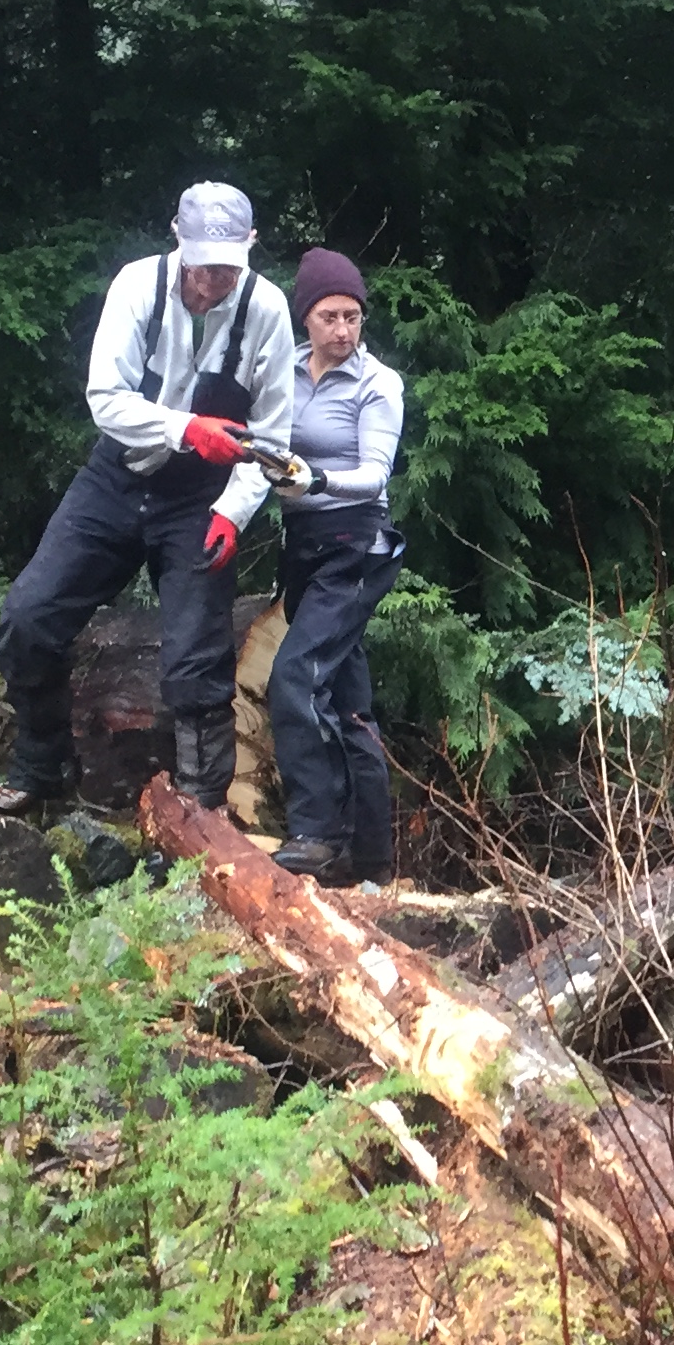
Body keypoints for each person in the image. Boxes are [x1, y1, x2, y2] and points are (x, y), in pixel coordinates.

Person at [0, 183, 295, 815]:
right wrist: (187, 429)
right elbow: (105, 399)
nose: (212, 283)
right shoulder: (136, 286)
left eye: (228, 268)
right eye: (203, 266)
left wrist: (233, 513)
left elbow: (271, 438)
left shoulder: (267, 310)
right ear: (177, 238)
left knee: (196, 660)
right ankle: (43, 767)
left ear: (250, 250)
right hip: (116, 479)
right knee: (28, 618)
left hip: (201, 500)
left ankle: (200, 814)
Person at [262, 248, 407, 884]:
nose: (344, 329)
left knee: (295, 675)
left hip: (355, 544)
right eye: (330, 316)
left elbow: (376, 474)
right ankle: (374, 863)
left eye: (353, 316)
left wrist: (313, 476)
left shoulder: (379, 384)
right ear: (306, 319)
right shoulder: (283, 373)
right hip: (303, 544)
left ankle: (316, 833)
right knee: (349, 703)